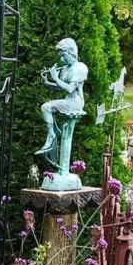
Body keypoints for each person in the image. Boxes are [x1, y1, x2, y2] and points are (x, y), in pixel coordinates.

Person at [36, 38, 88, 171]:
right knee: (47, 107)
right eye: (60, 56)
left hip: (75, 102)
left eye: (63, 55)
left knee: (46, 107)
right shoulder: (65, 68)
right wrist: (47, 82)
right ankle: (54, 132)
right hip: (67, 100)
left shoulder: (80, 68)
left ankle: (53, 134)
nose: (62, 59)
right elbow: (60, 87)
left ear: (72, 53)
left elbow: (70, 89)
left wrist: (56, 78)